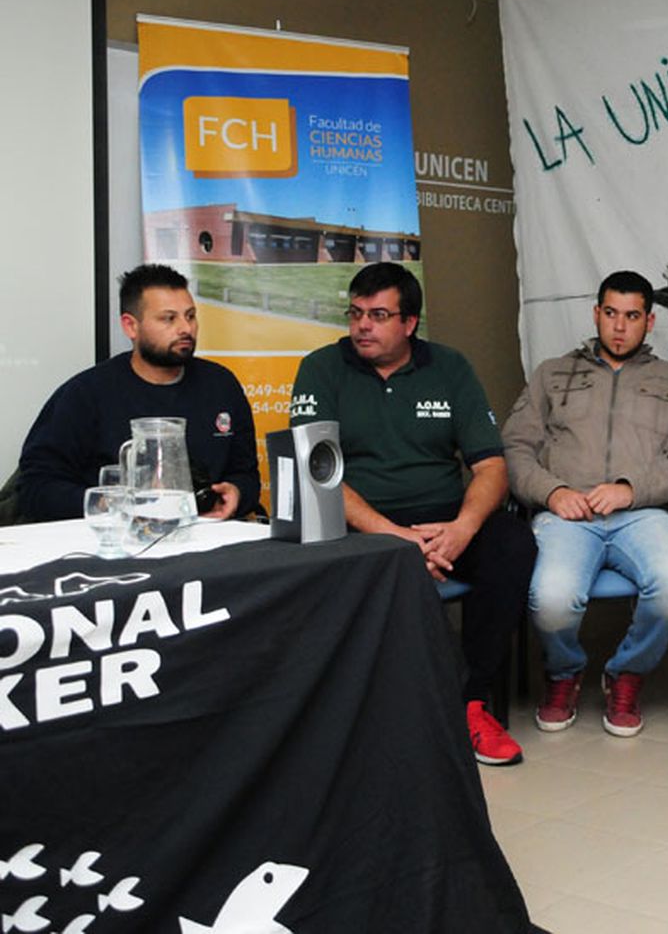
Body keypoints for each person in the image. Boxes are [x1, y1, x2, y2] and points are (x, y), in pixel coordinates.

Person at [289, 262, 535, 766]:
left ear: (410, 323)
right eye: (356, 313)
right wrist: (395, 537)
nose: (362, 326)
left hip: (443, 518)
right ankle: (424, 708)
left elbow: (491, 467)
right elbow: (317, 476)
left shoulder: (450, 368)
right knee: (394, 572)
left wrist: (462, 530)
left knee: (512, 544)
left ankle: (471, 703)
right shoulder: (320, 368)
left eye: (378, 315)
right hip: (359, 524)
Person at [502, 270, 668, 737]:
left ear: (649, 322)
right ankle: (564, 672)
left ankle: (627, 673)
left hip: (644, 515)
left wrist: (631, 489)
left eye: (632, 316)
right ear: (596, 314)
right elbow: (514, 449)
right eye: (611, 314)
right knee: (552, 598)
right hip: (567, 516)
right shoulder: (552, 373)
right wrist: (553, 492)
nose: (620, 327)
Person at [18, 263, 258, 522]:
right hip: (115, 547)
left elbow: (245, 474)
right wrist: (111, 504)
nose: (185, 329)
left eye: (190, 316)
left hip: (210, 540)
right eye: (169, 318)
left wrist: (237, 493)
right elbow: (37, 488)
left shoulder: (222, 385)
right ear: (131, 326)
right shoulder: (85, 394)